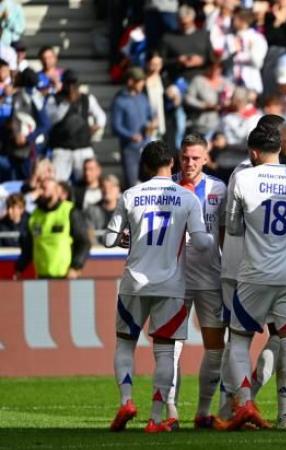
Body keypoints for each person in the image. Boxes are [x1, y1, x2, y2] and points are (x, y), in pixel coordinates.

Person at [105, 140, 212, 433]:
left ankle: (126, 400)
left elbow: (108, 240)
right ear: (174, 164)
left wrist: (126, 236)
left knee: (125, 344)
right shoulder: (187, 198)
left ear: (146, 166)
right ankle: (155, 416)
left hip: (133, 284)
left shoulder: (131, 194)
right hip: (171, 285)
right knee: (165, 351)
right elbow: (202, 244)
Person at [219, 125, 286, 432]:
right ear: (281, 147)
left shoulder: (244, 178)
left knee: (239, 339)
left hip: (253, 275)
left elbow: (233, 228)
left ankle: (246, 403)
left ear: (253, 152)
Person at [166, 134, 227, 429]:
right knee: (172, 347)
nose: (189, 163)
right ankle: (170, 410)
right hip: (174, 280)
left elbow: (226, 235)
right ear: (178, 158)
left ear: (206, 158)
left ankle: (203, 412)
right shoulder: (166, 188)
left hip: (210, 279)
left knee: (215, 347)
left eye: (195, 158)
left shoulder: (219, 189)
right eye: (185, 158)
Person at [15, 177, 90, 279]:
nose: (40, 192)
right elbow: (28, 247)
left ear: (56, 191)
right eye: (39, 188)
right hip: (42, 277)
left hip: (66, 276)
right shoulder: (34, 216)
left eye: (44, 189)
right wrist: (19, 268)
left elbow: (83, 242)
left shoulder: (69, 211)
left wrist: (75, 267)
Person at [46, 70, 106, 183]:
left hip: (83, 148)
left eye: (74, 84)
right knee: (58, 182)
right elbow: (51, 119)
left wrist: (96, 126)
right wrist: (66, 103)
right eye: (68, 83)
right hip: (61, 149)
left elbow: (101, 116)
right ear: (63, 84)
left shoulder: (87, 99)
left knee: (87, 179)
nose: (71, 87)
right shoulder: (54, 99)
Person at [111, 67, 154, 188]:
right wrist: (130, 135)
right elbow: (116, 126)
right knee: (132, 185)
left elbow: (150, 115)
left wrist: (152, 123)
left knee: (150, 183)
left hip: (147, 146)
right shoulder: (119, 101)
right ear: (130, 81)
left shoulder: (143, 98)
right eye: (140, 81)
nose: (142, 84)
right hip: (130, 150)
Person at [83, 174, 121, 245]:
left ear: (118, 189)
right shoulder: (91, 211)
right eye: (104, 187)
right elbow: (90, 235)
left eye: (111, 187)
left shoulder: (126, 210)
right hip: (98, 251)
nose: (107, 190)